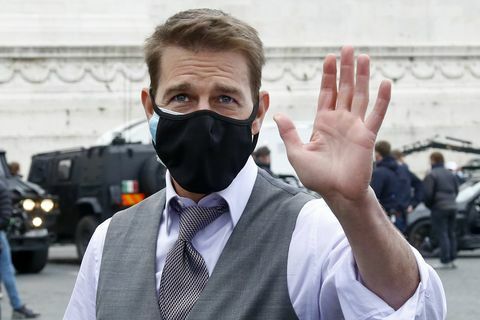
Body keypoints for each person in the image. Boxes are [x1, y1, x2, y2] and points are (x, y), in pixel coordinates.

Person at [65, 9, 446, 320]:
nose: (203, 115)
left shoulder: (311, 228)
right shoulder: (108, 240)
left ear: (258, 112)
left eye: (225, 98)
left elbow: (414, 310)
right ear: (151, 108)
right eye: (182, 96)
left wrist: (355, 205)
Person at [0, 178, 40, 319]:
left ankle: (17, 306)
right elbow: (5, 217)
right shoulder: (3, 188)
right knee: (7, 271)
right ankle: (17, 307)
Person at [424, 152, 459, 269]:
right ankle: (452, 258)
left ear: (433, 160)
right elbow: (456, 189)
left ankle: (444, 260)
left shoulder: (432, 174)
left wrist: (430, 205)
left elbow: (428, 194)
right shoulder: (450, 174)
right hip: (452, 206)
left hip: (439, 207)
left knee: (442, 233)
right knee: (451, 233)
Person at [370, 141, 405, 231]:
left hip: (385, 215)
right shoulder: (400, 169)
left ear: (377, 153)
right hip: (399, 212)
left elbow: (373, 195)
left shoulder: (379, 172)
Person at [392, 149, 424, 214]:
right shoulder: (405, 171)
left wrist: (413, 203)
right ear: (401, 158)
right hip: (402, 210)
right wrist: (413, 204)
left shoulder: (386, 170)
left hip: (395, 210)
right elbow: (420, 186)